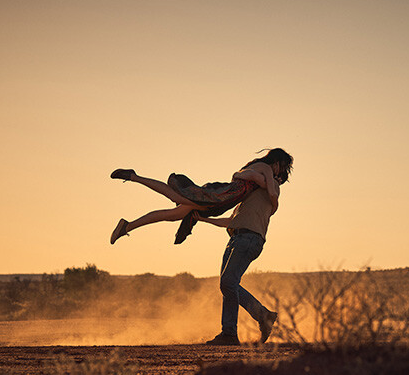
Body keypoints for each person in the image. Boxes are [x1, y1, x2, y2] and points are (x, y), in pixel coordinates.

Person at [197, 148, 293, 345]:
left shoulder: (272, 185)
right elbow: (231, 221)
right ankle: (242, 326)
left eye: (279, 167)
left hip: (249, 239)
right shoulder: (249, 197)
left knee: (228, 283)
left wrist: (262, 170)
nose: (278, 171)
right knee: (228, 285)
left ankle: (242, 327)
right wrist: (202, 219)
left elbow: (248, 175)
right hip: (236, 238)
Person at [109, 150, 284, 245]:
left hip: (222, 199)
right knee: (175, 197)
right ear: (276, 163)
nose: (279, 173)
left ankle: (128, 226)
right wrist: (274, 205)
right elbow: (271, 192)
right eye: (281, 169)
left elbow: (243, 175)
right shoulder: (266, 168)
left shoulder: (256, 168)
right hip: (219, 195)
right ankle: (134, 177)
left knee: (173, 214)